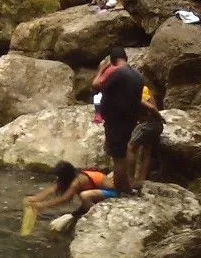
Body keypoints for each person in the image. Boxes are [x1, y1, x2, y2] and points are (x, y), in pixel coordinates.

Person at [94, 47, 144, 194]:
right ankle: (127, 185)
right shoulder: (138, 75)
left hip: (116, 120)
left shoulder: (116, 72)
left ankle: (122, 190)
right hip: (130, 119)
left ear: (112, 60)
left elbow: (95, 85)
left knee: (118, 157)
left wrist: (101, 70)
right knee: (123, 151)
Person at [25, 160, 118, 214]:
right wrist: (35, 198)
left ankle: (94, 215)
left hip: (114, 192)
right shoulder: (70, 177)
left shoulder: (77, 181)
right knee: (84, 197)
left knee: (84, 196)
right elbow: (53, 188)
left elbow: (64, 199)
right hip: (101, 192)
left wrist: (41, 205)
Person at [128, 86, 163, 189]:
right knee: (147, 150)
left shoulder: (134, 91)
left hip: (148, 123)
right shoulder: (145, 88)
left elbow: (150, 107)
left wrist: (159, 117)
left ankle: (130, 180)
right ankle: (141, 180)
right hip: (156, 125)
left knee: (131, 147)